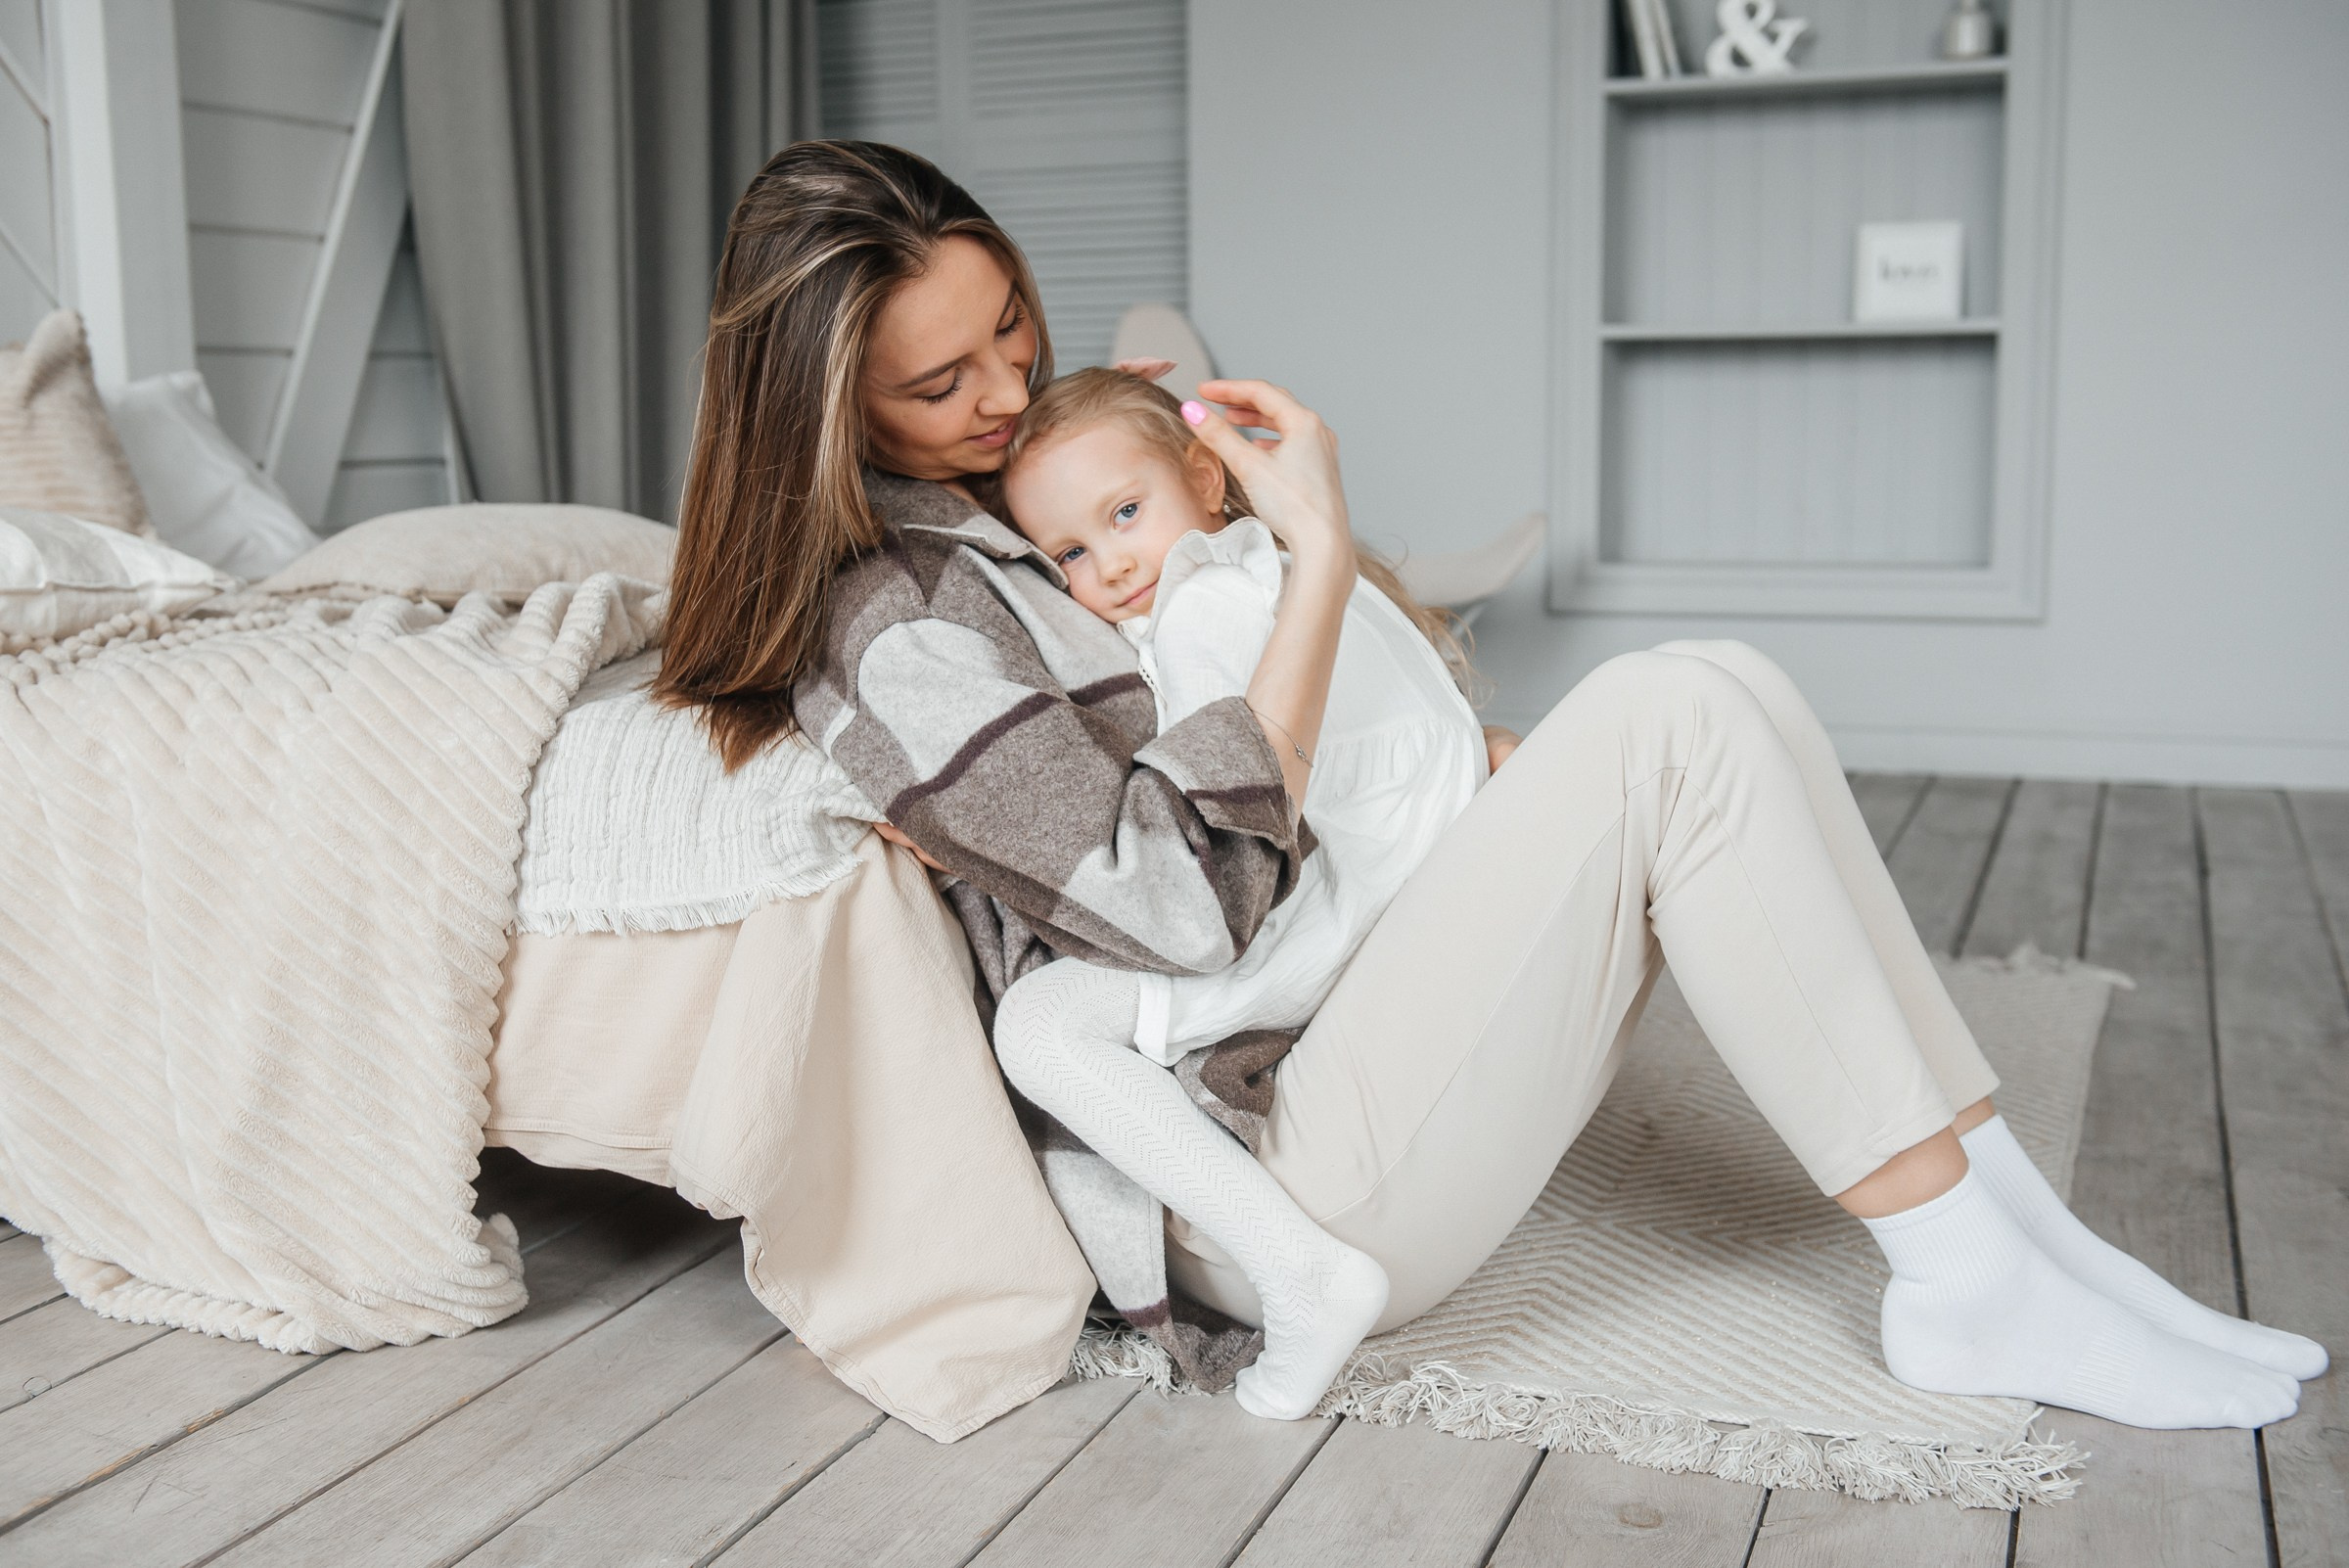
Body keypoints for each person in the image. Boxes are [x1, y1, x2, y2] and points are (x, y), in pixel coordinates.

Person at [655, 140, 2326, 1431]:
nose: (1009, 394)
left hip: (1353, 1002)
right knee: (1669, 711)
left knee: (1718, 686)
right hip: (1261, 1159)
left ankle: (2018, 1248)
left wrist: (1459, 780)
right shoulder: (899, 608)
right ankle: (1973, 1276)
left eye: (1009, 325)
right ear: (824, 413)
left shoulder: (1023, 501)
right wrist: (1310, 561)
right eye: (942, 386)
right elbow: (1169, 907)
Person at [983, 366, 1492, 1417]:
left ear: (1207, 481)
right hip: (1407, 843)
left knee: (1041, 1025)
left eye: (1126, 513)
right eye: (1072, 552)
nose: (1112, 561)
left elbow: (1224, 822)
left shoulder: (1205, 607)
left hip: (1345, 881)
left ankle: (1296, 1269)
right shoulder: (1269, 564)